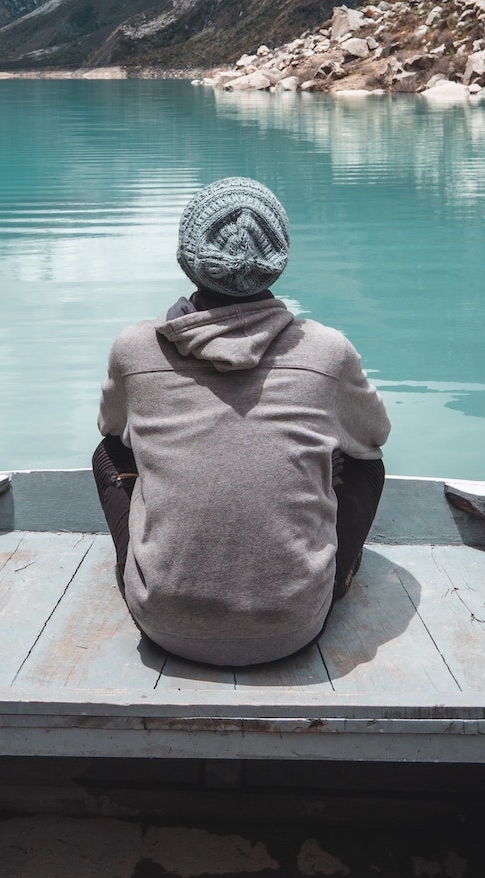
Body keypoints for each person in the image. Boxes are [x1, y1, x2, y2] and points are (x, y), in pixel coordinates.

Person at [93, 176, 391, 666]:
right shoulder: (327, 352)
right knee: (363, 461)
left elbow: (111, 427)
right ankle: (333, 575)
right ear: (277, 259)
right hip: (292, 629)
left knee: (110, 451)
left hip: (163, 624)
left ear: (189, 258)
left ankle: (153, 573)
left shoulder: (135, 347)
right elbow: (374, 437)